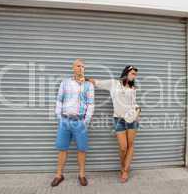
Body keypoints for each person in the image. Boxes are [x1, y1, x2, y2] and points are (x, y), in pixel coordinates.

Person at [89, 65, 140, 183]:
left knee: (130, 145)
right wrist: (84, 79)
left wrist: (138, 112)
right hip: (118, 119)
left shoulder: (133, 89)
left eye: (135, 74)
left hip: (132, 119)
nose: (134, 76)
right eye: (132, 73)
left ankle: (125, 170)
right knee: (123, 147)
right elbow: (97, 82)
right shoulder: (114, 84)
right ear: (126, 73)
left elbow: (134, 103)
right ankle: (123, 167)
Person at [51, 58, 94, 187]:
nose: (81, 68)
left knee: (82, 149)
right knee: (62, 149)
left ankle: (81, 175)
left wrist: (85, 121)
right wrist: (60, 117)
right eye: (78, 66)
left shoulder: (88, 85)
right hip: (65, 121)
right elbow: (59, 100)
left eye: (83, 66)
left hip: (80, 122)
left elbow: (90, 104)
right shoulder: (65, 83)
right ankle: (59, 175)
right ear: (73, 68)